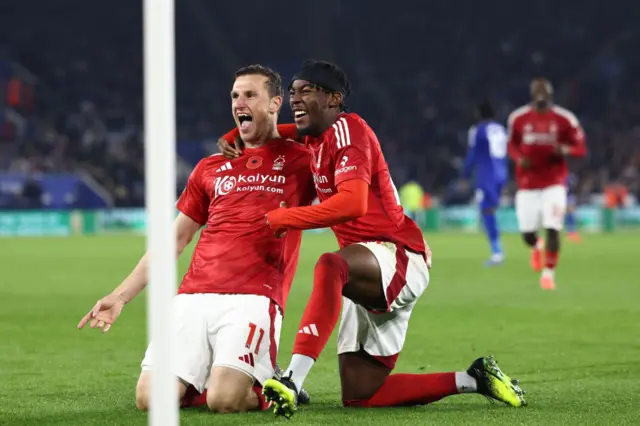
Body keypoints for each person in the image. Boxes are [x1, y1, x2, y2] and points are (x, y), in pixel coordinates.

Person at [218, 60, 526, 419]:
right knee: (362, 394)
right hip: (365, 268)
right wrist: (233, 137)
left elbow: (352, 203)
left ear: (334, 99)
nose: (295, 99)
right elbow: (273, 133)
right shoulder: (313, 136)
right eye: (293, 92)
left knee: (330, 264)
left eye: (306, 90)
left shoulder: (350, 130)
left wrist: (286, 218)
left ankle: (291, 380)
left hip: (397, 255)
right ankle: (474, 379)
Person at [77, 65, 314, 413]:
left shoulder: (301, 161)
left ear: (275, 102)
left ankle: (271, 384)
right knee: (149, 399)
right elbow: (175, 239)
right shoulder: (210, 167)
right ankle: (211, 374)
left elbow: (344, 167)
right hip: (193, 296)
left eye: (250, 95)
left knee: (225, 401)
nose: (239, 102)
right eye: (235, 95)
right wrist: (120, 296)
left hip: (253, 297)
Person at [507, 78, 587, 290]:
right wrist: (518, 158)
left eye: (545, 92)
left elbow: (581, 148)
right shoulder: (518, 118)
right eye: (537, 92)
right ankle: (537, 245)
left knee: (553, 228)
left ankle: (548, 274)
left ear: (551, 95)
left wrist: (567, 150)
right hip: (527, 183)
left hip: (554, 181)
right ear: (532, 95)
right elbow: (511, 145)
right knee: (527, 234)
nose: (541, 96)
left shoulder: (564, 119)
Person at [461, 100, 508, 266]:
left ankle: (497, 252)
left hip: (487, 175)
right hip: (501, 173)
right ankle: (497, 249)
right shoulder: (501, 129)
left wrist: (464, 176)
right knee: (490, 210)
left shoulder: (477, 130)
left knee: (486, 210)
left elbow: (472, 155)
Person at [565, 173, 581, 242]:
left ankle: (571, 233)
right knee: (571, 216)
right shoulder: (566, 178)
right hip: (566, 198)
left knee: (571, 216)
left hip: (569, 197)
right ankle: (571, 233)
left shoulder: (569, 177)